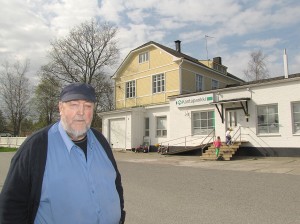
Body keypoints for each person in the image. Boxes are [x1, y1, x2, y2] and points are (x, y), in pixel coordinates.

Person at [0, 83, 126, 224]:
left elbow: (115, 183)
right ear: (61, 108)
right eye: (73, 105)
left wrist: (119, 215)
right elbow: (11, 206)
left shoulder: (101, 141)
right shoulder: (36, 147)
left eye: (88, 106)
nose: (81, 112)